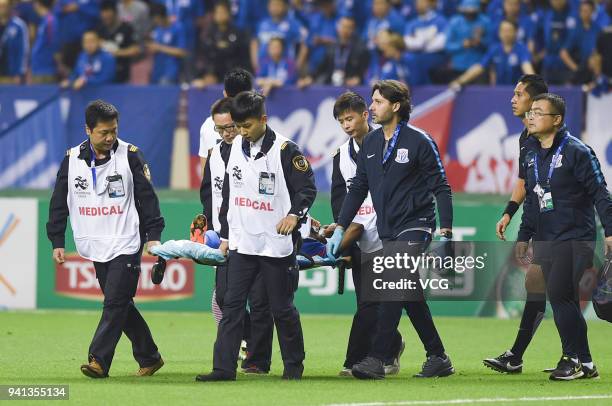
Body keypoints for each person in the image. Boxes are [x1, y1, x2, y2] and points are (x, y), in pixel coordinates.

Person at [328, 80, 454, 379]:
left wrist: (446, 233)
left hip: (417, 224)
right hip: (387, 229)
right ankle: (438, 356)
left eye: (378, 102)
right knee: (408, 293)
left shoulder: (419, 140)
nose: (372, 107)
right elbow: (358, 188)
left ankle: (377, 357)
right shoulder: (371, 144)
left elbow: (442, 188)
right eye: (372, 102)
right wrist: (340, 228)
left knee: (392, 284)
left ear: (395, 106)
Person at [195, 91, 316, 382]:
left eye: (247, 125)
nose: (241, 131)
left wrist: (294, 215)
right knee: (232, 306)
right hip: (242, 244)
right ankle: (223, 369)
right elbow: (227, 194)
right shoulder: (232, 146)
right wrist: (225, 235)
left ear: (263, 119)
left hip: (275, 245)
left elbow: (307, 189)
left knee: (281, 308)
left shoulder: (286, 150)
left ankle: (293, 367)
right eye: (238, 125)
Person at [46, 99, 165, 379]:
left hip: (125, 241)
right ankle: (150, 356)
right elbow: (58, 202)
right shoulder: (72, 159)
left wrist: (153, 236)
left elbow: (148, 199)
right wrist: (57, 240)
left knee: (113, 303)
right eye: (103, 132)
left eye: (114, 130)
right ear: (88, 130)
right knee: (121, 304)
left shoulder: (131, 156)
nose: (110, 137)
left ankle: (98, 360)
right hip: (94, 243)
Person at [518, 93, 612, 380]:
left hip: (575, 236)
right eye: (530, 111)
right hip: (547, 237)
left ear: (557, 120)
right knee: (565, 298)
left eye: (538, 112)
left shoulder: (577, 151)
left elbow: (600, 192)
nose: (530, 116)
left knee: (559, 294)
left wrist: (610, 230)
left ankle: (570, 359)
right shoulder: (531, 152)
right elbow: (534, 200)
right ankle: (586, 363)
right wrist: (524, 235)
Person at [329, 91, 404, 377]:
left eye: (350, 118)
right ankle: (392, 346)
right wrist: (344, 241)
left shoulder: (390, 145)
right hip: (358, 236)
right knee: (368, 302)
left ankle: (357, 360)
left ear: (364, 115)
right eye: (341, 121)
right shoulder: (341, 156)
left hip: (389, 232)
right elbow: (340, 200)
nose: (346, 125)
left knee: (376, 302)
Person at [199, 97, 273, 374]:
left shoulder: (259, 150)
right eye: (220, 129)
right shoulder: (215, 154)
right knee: (224, 298)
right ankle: (249, 346)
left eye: (231, 126)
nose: (227, 133)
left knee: (261, 300)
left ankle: (257, 360)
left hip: (258, 235)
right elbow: (209, 193)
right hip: (226, 237)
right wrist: (208, 226)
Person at [483, 74, 550, 374]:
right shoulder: (526, 138)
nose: (513, 98)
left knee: (548, 287)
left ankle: (577, 357)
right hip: (542, 221)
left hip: (563, 223)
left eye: (519, 94)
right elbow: (524, 181)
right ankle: (520, 356)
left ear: (535, 102)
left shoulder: (552, 138)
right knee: (542, 285)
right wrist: (509, 212)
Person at [199, 68, 253, 178]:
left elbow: (206, 176)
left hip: (218, 192)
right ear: (251, 94)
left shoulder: (208, 124)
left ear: (225, 93)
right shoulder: (255, 125)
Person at [450, 20, 534, 87]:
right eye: (503, 31)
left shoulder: (522, 49)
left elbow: (527, 67)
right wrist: (460, 81)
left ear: (515, 32)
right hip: (498, 90)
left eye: (509, 30)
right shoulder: (495, 49)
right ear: (499, 33)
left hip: (517, 92)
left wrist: (535, 83)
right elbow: (479, 67)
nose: (506, 34)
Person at [97, 0, 140, 83]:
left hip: (122, 73)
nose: (106, 18)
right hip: (103, 75)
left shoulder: (126, 28)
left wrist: (116, 53)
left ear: (115, 13)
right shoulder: (100, 29)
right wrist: (98, 43)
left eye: (108, 17)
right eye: (103, 16)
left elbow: (135, 50)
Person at [147, 2, 187, 85]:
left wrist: (159, 47)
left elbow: (182, 52)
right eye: (154, 19)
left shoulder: (178, 28)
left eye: (157, 18)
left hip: (170, 73)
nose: (156, 21)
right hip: (156, 72)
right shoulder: (157, 30)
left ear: (163, 16)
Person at [30, 0, 60, 83]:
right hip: (38, 68)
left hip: (45, 70)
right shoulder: (44, 20)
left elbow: (54, 45)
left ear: (38, 4)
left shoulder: (50, 21)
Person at [0, 0, 28, 84]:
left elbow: (23, 51)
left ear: (10, 7)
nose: (1, 8)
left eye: (3, 6)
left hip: (10, 74)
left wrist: (19, 73)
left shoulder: (19, 26)